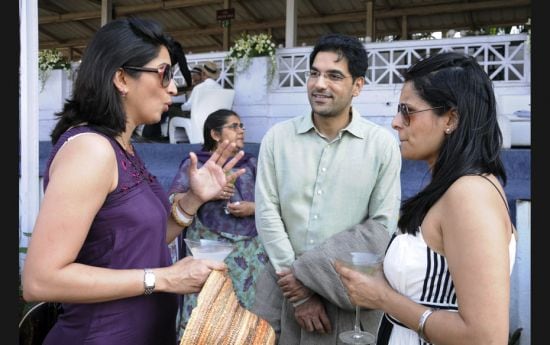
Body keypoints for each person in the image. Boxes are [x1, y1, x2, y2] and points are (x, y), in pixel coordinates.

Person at [21, 17, 245, 345]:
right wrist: (164, 279)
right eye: (164, 73)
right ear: (122, 78)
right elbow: (40, 281)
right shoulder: (91, 150)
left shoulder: (122, 146)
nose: (173, 88)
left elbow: (135, 241)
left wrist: (192, 200)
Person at [334, 51, 517, 345]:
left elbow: (486, 337)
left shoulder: (468, 195)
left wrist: (382, 297)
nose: (396, 122)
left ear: (451, 118)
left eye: (407, 111)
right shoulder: (455, 186)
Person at [252, 33, 402, 344]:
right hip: (280, 288)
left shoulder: (381, 145)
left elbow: (382, 226)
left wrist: (316, 277)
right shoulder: (278, 138)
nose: (320, 84)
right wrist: (298, 292)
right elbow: (267, 213)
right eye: (314, 73)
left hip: (347, 291)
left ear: (357, 85)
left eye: (334, 75)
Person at [168, 109, 269, 337]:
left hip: (249, 250)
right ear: (214, 134)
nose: (241, 130)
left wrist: (251, 208)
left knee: (246, 313)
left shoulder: (251, 163)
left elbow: (271, 202)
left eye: (241, 125)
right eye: (233, 126)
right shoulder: (196, 164)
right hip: (209, 248)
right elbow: (173, 200)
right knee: (206, 307)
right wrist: (207, 194)